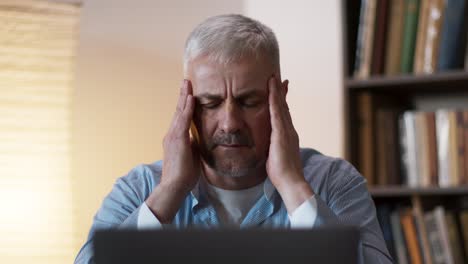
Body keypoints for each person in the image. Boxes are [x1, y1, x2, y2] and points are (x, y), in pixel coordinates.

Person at [74, 14, 393, 264]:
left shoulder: (334, 182)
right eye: (210, 103)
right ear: (186, 103)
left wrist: (294, 186)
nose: (229, 123)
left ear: (279, 98)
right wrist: (169, 192)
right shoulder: (140, 188)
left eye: (249, 101)